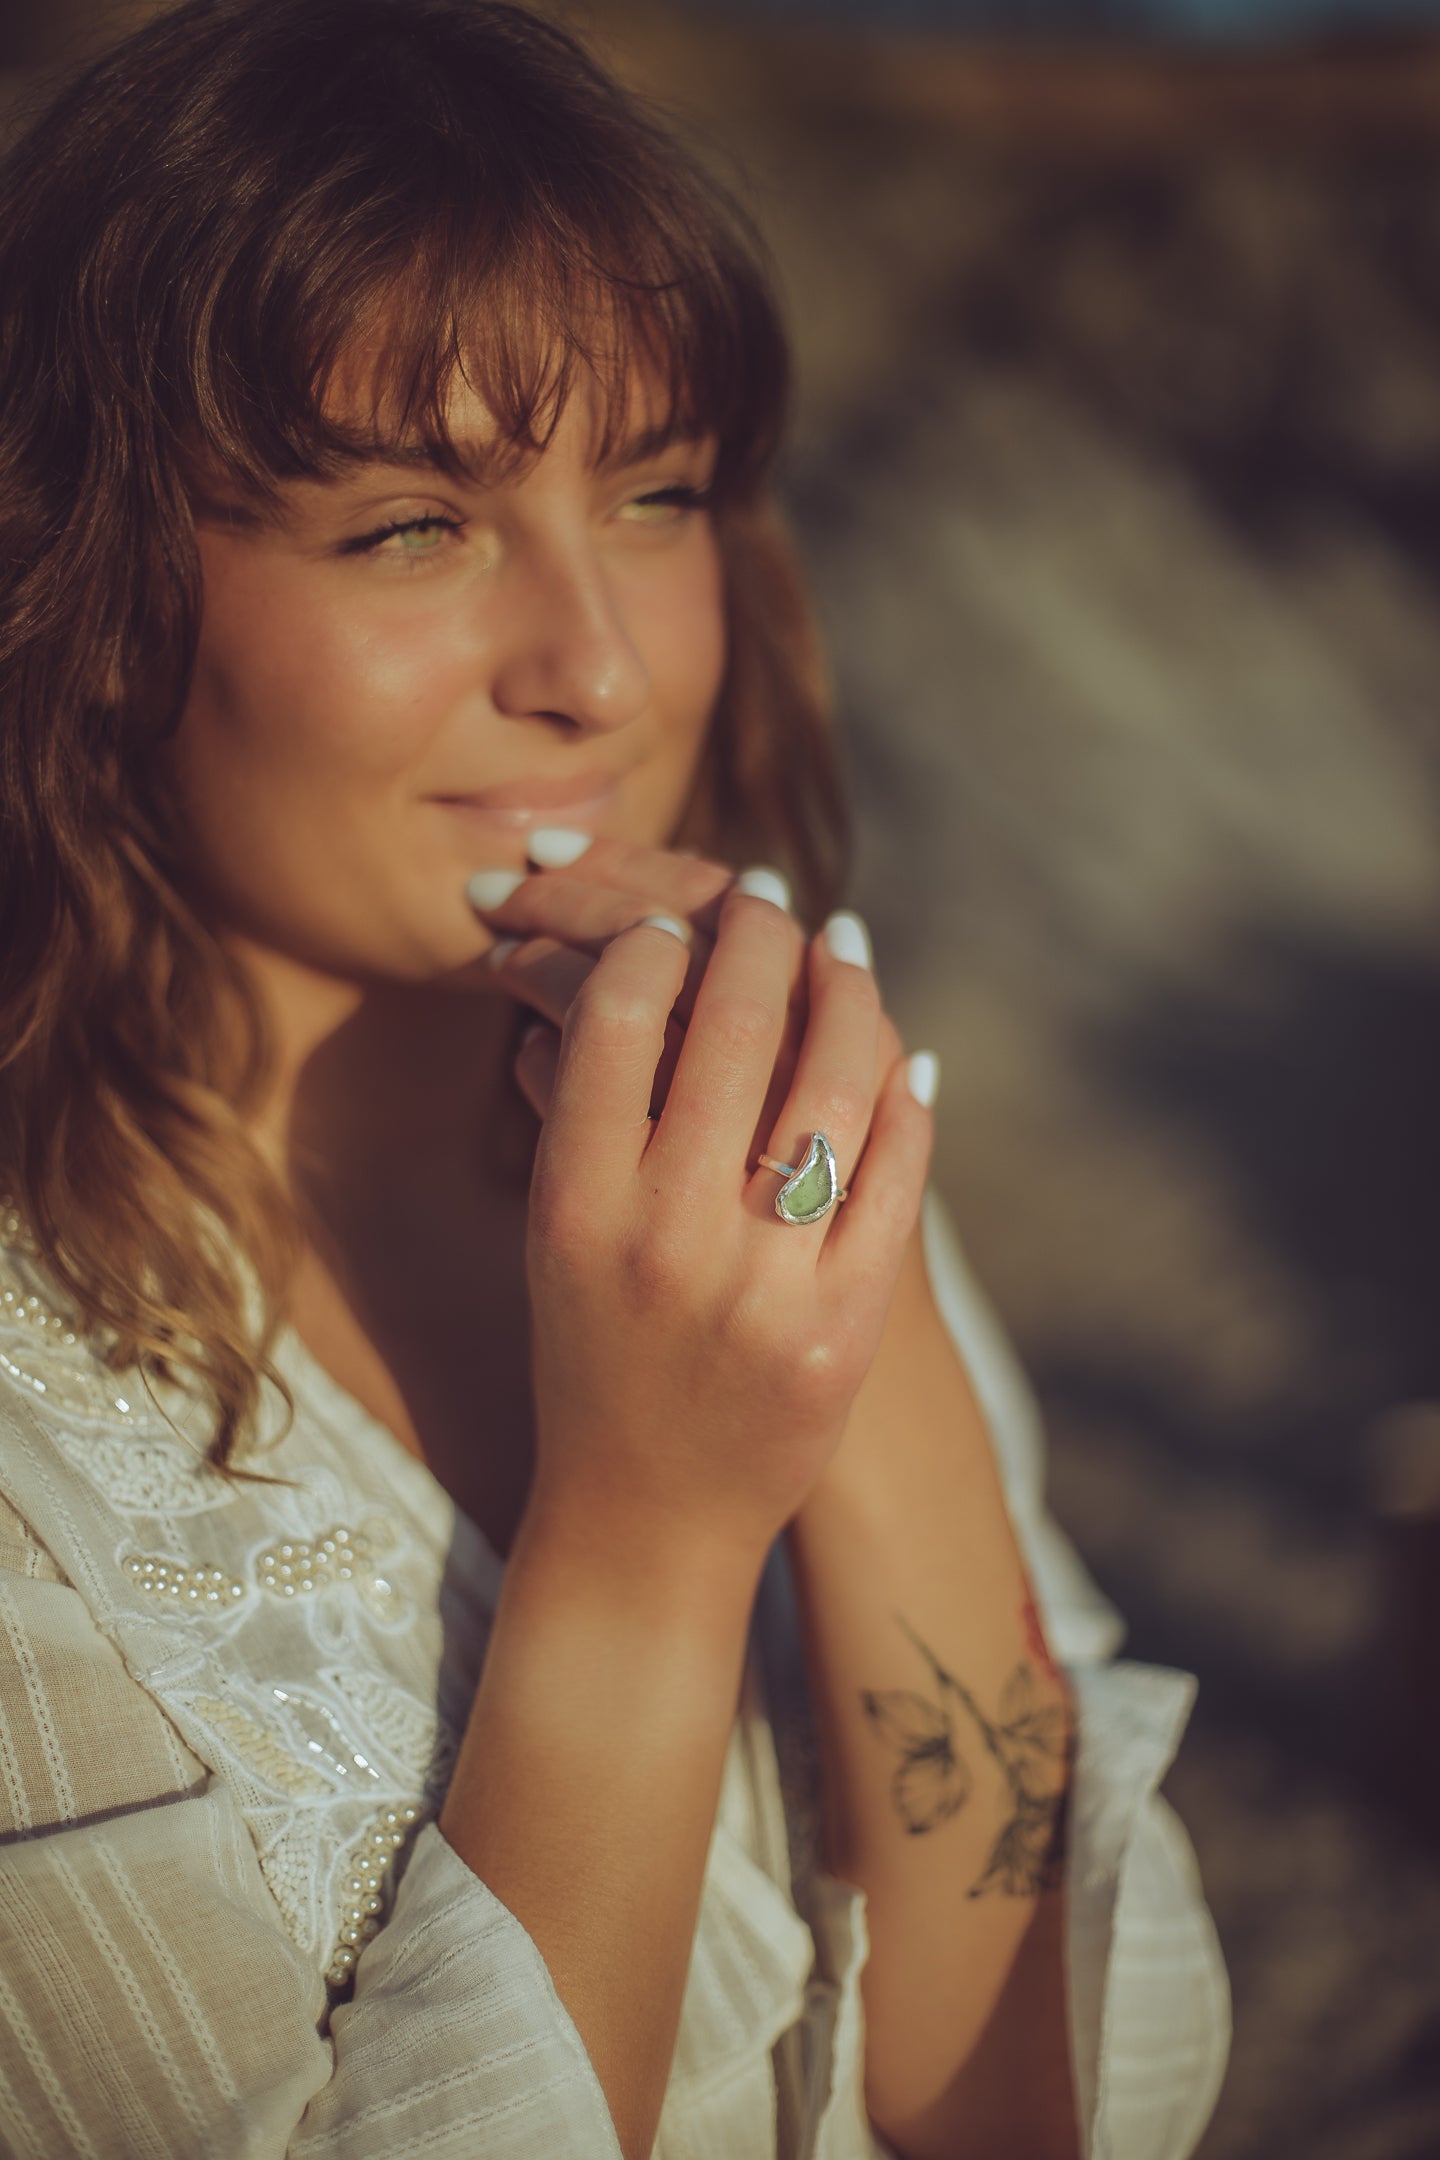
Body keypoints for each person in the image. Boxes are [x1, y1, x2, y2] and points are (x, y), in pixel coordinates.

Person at [0, 1, 1230, 2154]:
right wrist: (651, 1535)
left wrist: (876, 1365)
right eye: (410, 525)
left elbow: (1032, 2121)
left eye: (658, 497)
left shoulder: (752, 1175)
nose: (597, 669)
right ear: (87, 596)